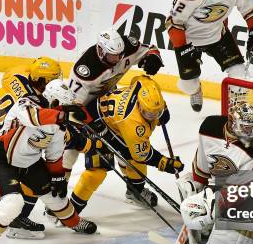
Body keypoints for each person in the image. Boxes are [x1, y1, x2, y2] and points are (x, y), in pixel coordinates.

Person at [0, 80, 99, 244]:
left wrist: (58, 177)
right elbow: (31, 117)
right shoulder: (27, 102)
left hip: (30, 162)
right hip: (1, 159)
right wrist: (62, 115)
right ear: (53, 101)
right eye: (63, 106)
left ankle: (74, 222)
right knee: (12, 203)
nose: (65, 110)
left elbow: (54, 156)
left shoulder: (59, 127)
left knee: (55, 196)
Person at [0, 57, 63, 239]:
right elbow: (39, 119)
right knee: (23, 170)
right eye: (53, 79)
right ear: (45, 81)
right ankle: (18, 220)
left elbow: (11, 73)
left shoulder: (17, 76)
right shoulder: (35, 102)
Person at [59, 28, 164, 200]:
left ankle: (134, 189)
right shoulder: (85, 69)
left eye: (119, 55)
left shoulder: (126, 46)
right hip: (82, 108)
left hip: (106, 102)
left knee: (124, 144)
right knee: (70, 152)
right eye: (112, 56)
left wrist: (152, 57)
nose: (117, 60)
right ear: (100, 51)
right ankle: (57, 196)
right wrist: (90, 124)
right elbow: (73, 108)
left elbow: (150, 49)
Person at [166, 0, 253, 112]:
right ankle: (195, 89)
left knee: (239, 74)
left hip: (218, 36)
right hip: (190, 40)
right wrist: (181, 47)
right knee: (188, 84)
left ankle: (237, 110)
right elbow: (173, 21)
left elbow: (251, 9)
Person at [69, 76, 183, 212]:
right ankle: (71, 211)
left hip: (115, 122)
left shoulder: (147, 85)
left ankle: (135, 192)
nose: (153, 116)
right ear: (139, 105)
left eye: (156, 113)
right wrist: (164, 163)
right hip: (94, 124)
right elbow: (142, 155)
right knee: (97, 173)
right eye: (148, 113)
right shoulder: (134, 123)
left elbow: (137, 79)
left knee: (133, 158)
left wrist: (162, 110)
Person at [177, 102, 253, 244]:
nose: (251, 132)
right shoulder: (209, 127)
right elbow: (201, 167)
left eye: (252, 127)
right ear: (232, 123)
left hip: (247, 197)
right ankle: (205, 223)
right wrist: (197, 192)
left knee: (223, 243)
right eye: (246, 127)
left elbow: (247, 189)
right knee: (187, 186)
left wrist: (215, 203)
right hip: (220, 187)